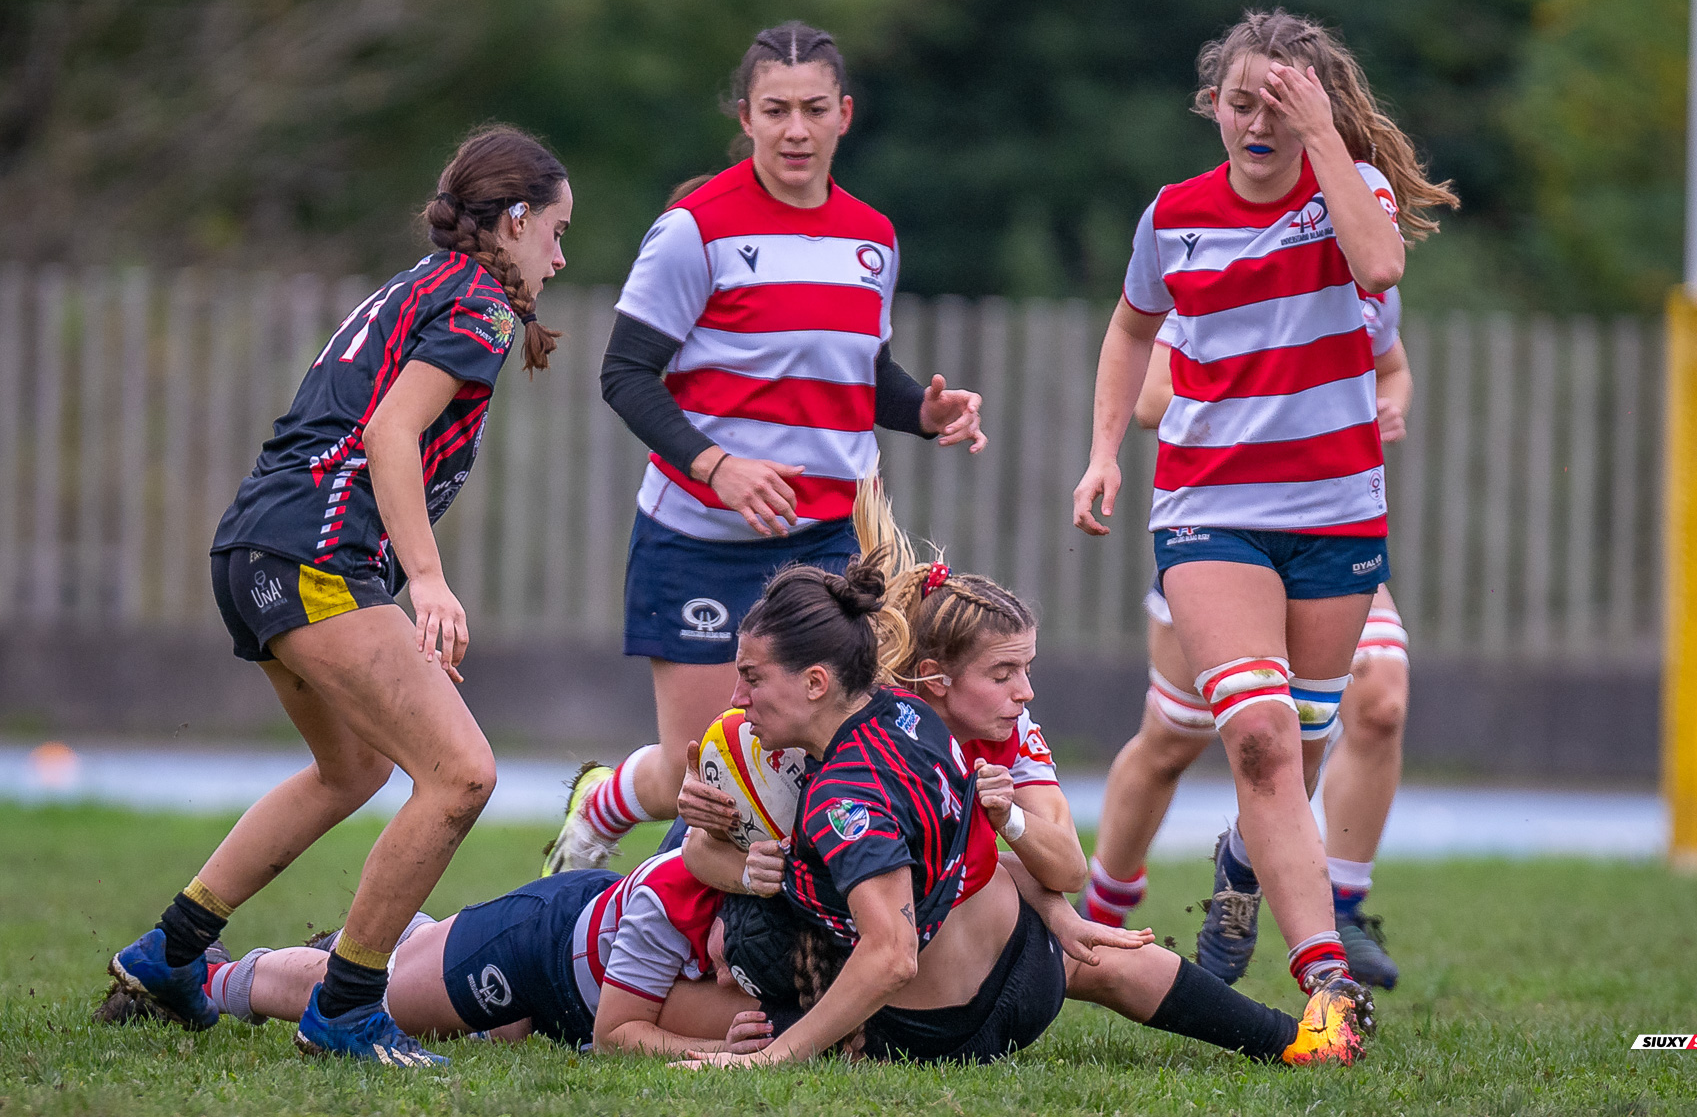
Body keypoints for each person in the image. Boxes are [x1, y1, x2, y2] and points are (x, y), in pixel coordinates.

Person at [101, 126, 574, 1066]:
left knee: (352, 769)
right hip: (314, 558)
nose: (561, 255)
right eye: (556, 231)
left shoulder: (421, 282)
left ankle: (169, 952)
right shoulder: (478, 305)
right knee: (463, 775)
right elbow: (391, 436)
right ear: (514, 220)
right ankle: (348, 1005)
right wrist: (429, 581)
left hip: (254, 548)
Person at [672, 484, 1372, 1067]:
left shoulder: (851, 780)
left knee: (738, 940)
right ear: (934, 681)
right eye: (1005, 672)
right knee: (1105, 955)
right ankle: (1297, 1040)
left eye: (751, 678)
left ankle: (617, 998)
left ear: (819, 681)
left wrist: (778, 1051)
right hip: (1021, 969)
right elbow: (958, 859)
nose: (1026, 691)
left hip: (929, 1021)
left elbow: (897, 947)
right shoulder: (912, 729)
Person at [1072, 8, 1455, 999]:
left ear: (1314, 111)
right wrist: (1105, 452)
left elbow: (1382, 269)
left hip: (1334, 518)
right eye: (1241, 101)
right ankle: (1326, 981)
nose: (1258, 121)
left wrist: (1324, 132)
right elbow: (1128, 331)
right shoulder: (1175, 215)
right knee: (1257, 733)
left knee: (1307, 735)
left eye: (1281, 104)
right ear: (1212, 106)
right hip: (1208, 507)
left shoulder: (1349, 194)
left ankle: (1244, 863)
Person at [542, 20, 985, 875]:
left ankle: (760, 950)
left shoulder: (873, 238)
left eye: (813, 108)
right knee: (703, 771)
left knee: (806, 759)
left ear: (844, 115)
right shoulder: (694, 230)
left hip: (826, 545)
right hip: (697, 541)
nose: (795, 129)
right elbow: (625, 373)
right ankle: (607, 818)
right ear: (744, 116)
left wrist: (923, 412)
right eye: (775, 109)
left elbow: (863, 373)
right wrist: (718, 466)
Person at [1081, 293, 1417, 991]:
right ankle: (1100, 914)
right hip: (1225, 527)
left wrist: (1387, 402)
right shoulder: (1219, 256)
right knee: (1175, 736)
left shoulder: (1358, 269)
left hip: (1330, 528)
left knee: (1371, 702)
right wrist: (1269, 402)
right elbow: (1151, 398)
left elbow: (1392, 367)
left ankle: (1328, 901)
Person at [191, 853, 777, 1057]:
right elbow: (615, 1036)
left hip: (568, 993)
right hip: (533, 945)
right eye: (728, 958)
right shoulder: (667, 897)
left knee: (489, 1028)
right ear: (728, 900)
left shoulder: (775, 909)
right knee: (379, 994)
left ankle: (416, 938)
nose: (726, 978)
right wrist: (719, 1051)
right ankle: (210, 974)